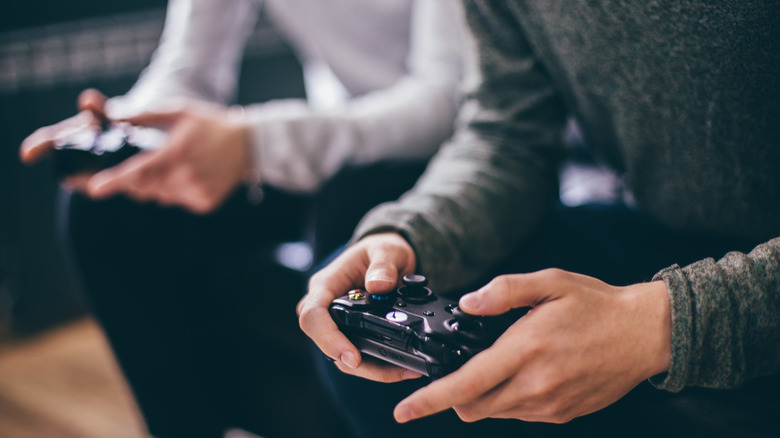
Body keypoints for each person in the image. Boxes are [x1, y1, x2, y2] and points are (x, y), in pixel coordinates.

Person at [298, 1, 780, 437]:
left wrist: (670, 322)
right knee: (365, 350)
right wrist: (413, 231)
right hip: (661, 227)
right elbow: (509, 132)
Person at [19, 1, 466, 437]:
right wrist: (128, 129)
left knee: (349, 204)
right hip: (328, 151)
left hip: (434, 158)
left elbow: (444, 98)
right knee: (107, 206)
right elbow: (190, 66)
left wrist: (251, 143)